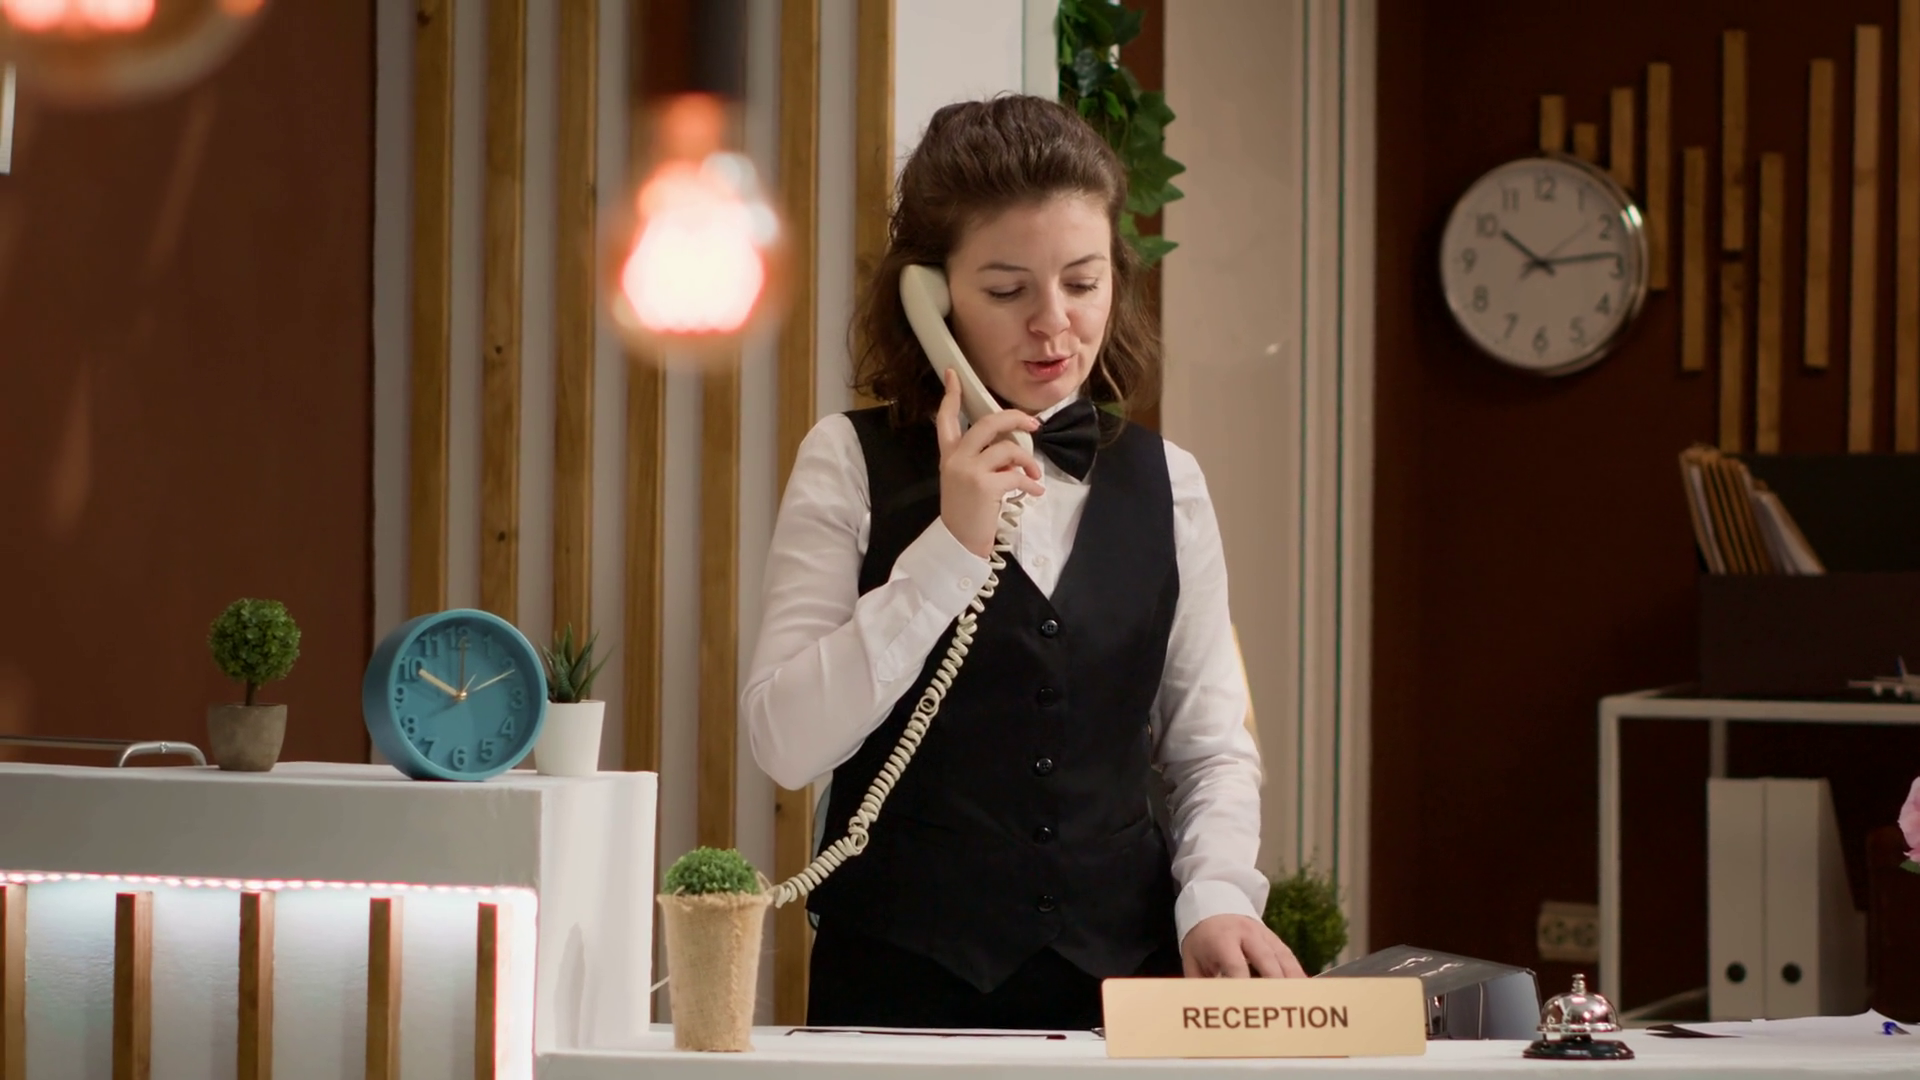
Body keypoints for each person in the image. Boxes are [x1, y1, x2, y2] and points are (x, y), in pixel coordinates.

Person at [741, 93, 1304, 1032]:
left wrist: (1216, 896)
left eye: (1083, 283)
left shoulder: (1170, 482)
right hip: (898, 993)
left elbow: (1208, 746)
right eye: (1007, 291)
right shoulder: (847, 461)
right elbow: (783, 742)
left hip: (1122, 985)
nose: (1054, 325)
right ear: (931, 296)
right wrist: (950, 553)